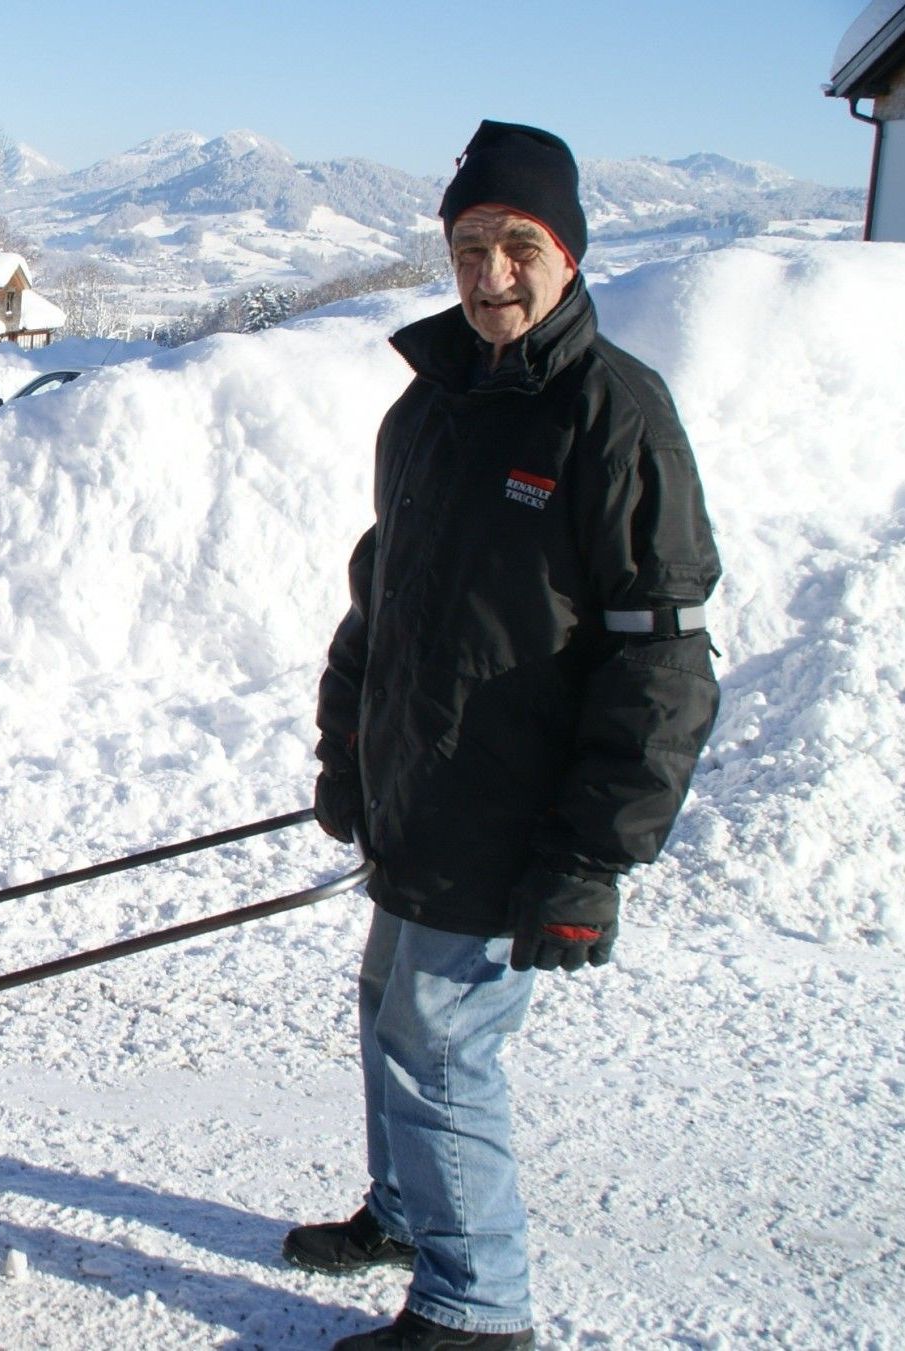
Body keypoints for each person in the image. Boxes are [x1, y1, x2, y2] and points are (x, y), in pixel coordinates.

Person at [285, 121, 721, 1350]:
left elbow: (663, 661)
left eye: (517, 246)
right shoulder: (427, 407)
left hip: (514, 818)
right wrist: (346, 752)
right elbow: (385, 602)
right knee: (389, 1013)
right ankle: (407, 1213)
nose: (490, 274)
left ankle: (476, 1310)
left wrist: (592, 858)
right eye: (469, 246)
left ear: (567, 255)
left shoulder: (613, 415)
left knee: (439, 1044)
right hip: (420, 797)